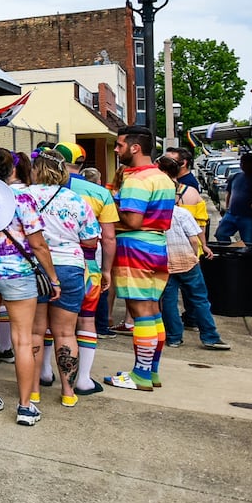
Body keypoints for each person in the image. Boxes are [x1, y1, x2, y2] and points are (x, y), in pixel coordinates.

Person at [0, 147, 60, 426]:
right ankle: (26, 407)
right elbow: (38, 244)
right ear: (13, 170)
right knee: (23, 340)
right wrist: (53, 278)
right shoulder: (22, 198)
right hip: (17, 274)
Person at [23, 151, 99, 407]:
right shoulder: (76, 200)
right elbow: (91, 239)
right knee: (66, 333)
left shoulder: (24, 197)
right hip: (69, 267)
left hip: (32, 268)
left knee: (34, 332)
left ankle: (33, 390)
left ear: (35, 170)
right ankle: (68, 392)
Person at [104, 125, 176, 391]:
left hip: (135, 248)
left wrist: (110, 205)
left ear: (135, 147)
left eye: (120, 145)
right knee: (153, 311)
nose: (116, 149)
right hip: (156, 246)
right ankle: (151, 372)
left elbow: (133, 220)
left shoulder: (137, 180)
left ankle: (141, 375)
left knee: (140, 312)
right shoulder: (162, 177)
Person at [157, 156, 229, 351]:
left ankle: (173, 337)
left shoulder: (156, 216)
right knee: (199, 299)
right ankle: (210, 336)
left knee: (169, 301)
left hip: (167, 263)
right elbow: (194, 235)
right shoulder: (182, 213)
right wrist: (203, 249)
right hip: (188, 262)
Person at [67, 162, 119, 393]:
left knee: (48, 323)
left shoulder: (36, 192)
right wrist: (107, 269)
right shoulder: (99, 193)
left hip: (51, 266)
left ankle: (45, 374)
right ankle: (83, 379)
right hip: (88, 265)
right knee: (87, 320)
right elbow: (108, 238)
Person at [214, 152, 252, 245]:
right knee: (220, 234)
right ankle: (229, 252)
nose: (243, 165)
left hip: (248, 216)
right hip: (232, 214)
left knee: (248, 243)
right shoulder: (236, 176)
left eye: (245, 163)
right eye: (242, 163)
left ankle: (247, 259)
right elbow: (229, 192)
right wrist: (227, 207)